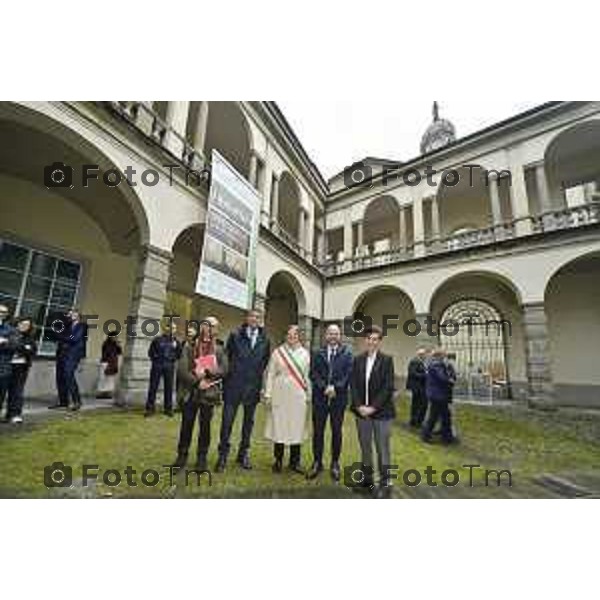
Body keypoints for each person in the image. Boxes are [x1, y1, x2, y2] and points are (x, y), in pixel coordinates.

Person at [216, 309, 270, 472]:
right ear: (247, 318)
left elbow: (264, 362)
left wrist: (256, 380)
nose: (255, 319)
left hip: (252, 388)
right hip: (233, 386)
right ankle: (223, 455)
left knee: (248, 423)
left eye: (258, 317)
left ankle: (243, 453)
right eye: (252, 316)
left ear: (261, 320)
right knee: (227, 422)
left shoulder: (265, 340)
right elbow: (227, 358)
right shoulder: (235, 335)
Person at [173, 320, 228, 470]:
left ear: (216, 329)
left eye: (212, 326)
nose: (208, 328)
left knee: (205, 428)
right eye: (206, 324)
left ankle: (201, 458)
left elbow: (224, 369)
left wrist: (209, 373)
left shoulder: (220, 349)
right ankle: (182, 456)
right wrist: (197, 383)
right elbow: (182, 370)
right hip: (191, 392)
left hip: (208, 394)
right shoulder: (189, 346)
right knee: (186, 426)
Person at [350, 326, 396, 497]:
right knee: (365, 448)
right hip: (361, 413)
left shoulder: (387, 360)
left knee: (382, 448)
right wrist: (359, 406)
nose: (372, 342)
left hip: (382, 413)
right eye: (369, 338)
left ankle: (385, 483)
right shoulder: (357, 360)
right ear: (365, 340)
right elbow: (353, 385)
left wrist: (373, 407)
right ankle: (367, 481)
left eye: (375, 339)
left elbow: (388, 387)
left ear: (379, 341)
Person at [307, 323, 353, 481]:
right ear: (326, 336)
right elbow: (313, 373)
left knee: (336, 431)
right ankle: (317, 462)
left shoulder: (347, 354)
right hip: (320, 398)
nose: (333, 336)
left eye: (336, 333)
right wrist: (324, 387)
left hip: (338, 400)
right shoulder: (317, 352)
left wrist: (336, 387)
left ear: (339, 336)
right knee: (318, 432)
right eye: (330, 333)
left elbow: (348, 374)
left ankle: (335, 463)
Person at [263, 325, 311, 474]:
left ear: (299, 337)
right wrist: (268, 394)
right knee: (280, 425)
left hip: (298, 395)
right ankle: (278, 460)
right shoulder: (278, 352)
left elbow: (308, 376)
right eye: (289, 335)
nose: (291, 337)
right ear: (286, 336)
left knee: (296, 426)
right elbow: (271, 373)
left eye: (294, 335)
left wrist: (309, 394)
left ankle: (294, 462)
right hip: (280, 393)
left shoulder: (305, 354)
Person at [51, 308, 88, 411]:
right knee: (60, 377)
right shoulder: (66, 326)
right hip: (62, 354)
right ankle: (63, 402)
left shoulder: (82, 326)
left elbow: (74, 338)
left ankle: (77, 401)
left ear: (78, 315)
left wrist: (61, 337)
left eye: (72, 313)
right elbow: (58, 335)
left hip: (73, 355)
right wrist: (62, 336)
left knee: (68, 375)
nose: (70, 315)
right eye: (69, 314)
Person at [145, 320, 182, 417]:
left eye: (174, 328)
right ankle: (150, 409)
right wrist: (156, 359)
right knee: (153, 387)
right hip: (157, 365)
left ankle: (168, 409)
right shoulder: (157, 339)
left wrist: (172, 359)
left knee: (169, 387)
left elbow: (179, 354)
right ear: (166, 328)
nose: (172, 330)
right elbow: (151, 352)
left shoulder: (176, 342)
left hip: (169, 366)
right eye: (170, 327)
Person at [5, 317, 37, 423]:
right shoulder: (9, 334)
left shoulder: (30, 339)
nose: (24, 326)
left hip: (21, 368)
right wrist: (23, 348)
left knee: (17, 392)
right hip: (6, 366)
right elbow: (7, 347)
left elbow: (32, 352)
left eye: (27, 325)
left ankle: (14, 414)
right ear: (17, 324)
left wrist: (19, 346)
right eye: (22, 324)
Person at [422, 348, 456, 444]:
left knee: (444, 417)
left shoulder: (438, 365)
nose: (445, 357)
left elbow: (447, 376)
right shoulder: (436, 365)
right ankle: (427, 436)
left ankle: (446, 437)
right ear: (439, 356)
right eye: (444, 355)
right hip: (438, 395)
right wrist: (450, 380)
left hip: (439, 395)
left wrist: (449, 376)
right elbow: (442, 378)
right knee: (435, 417)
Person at [176, 323, 198, 412]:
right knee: (180, 388)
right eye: (188, 333)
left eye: (191, 334)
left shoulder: (196, 345)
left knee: (189, 389)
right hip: (182, 369)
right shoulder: (182, 344)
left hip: (191, 371)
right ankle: (180, 404)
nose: (190, 335)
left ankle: (187, 404)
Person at [0, 305, 17, 417]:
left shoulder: (10, 330)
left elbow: (14, 346)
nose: (1, 313)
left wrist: (3, 342)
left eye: (3, 312)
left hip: (3, 367)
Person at [406, 348, 428, 428]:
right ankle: (415, 421)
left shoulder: (421, 362)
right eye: (424, 354)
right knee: (419, 404)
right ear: (420, 355)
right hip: (417, 387)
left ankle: (417, 421)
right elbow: (413, 373)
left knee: (419, 404)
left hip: (421, 387)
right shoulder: (415, 361)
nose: (426, 356)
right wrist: (425, 375)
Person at [96, 331, 122, 400]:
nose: (116, 338)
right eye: (114, 337)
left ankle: (108, 393)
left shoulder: (116, 345)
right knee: (103, 378)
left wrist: (118, 345)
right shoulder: (106, 344)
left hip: (113, 363)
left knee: (110, 379)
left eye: (116, 337)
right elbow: (106, 353)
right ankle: (101, 393)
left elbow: (119, 353)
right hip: (106, 362)